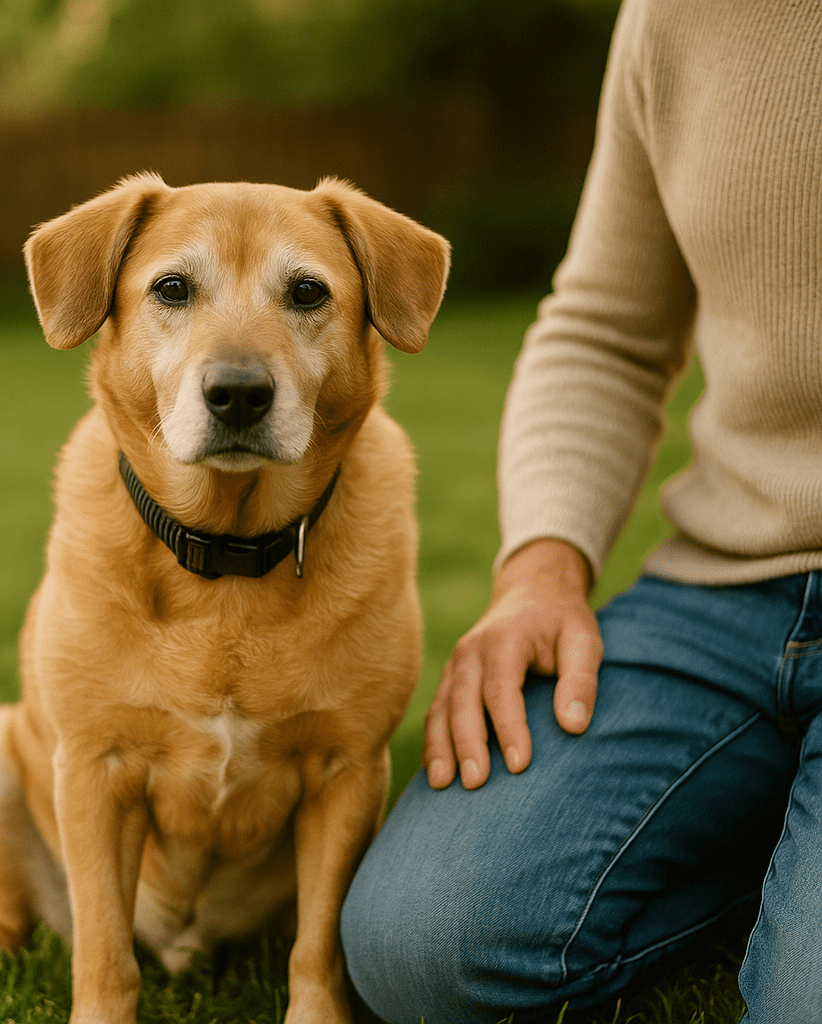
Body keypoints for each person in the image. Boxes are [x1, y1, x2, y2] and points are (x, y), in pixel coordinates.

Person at [339, 0, 822, 1020]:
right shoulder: (675, 17)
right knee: (423, 940)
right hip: (725, 595)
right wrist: (540, 566)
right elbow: (605, 327)